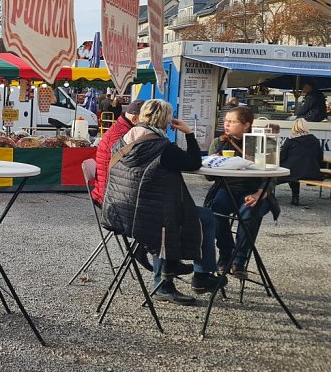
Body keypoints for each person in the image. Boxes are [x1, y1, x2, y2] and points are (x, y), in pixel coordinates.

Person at [103, 99, 224, 305]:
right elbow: (194, 162)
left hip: (119, 209)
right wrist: (189, 133)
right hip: (145, 216)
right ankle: (192, 278)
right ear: (166, 120)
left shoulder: (124, 139)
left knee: (171, 213)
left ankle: (179, 269)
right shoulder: (161, 147)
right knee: (201, 217)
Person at [206, 106, 279, 279]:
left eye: (232, 121)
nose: (227, 125)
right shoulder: (220, 142)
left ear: (246, 125)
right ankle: (225, 254)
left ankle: (239, 262)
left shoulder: (262, 141)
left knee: (250, 212)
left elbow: (272, 175)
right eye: (225, 121)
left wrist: (260, 194)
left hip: (254, 190)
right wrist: (215, 161)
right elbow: (209, 177)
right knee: (216, 210)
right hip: (228, 188)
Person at [91, 99, 143, 206]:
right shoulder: (122, 134)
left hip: (107, 190)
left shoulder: (121, 128)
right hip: (109, 196)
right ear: (135, 119)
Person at [278, 118, 324, 206]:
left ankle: (294, 197)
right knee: (295, 171)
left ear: (294, 127)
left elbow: (282, 157)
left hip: (293, 172)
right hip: (312, 171)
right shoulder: (314, 140)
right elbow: (320, 157)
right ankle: (295, 197)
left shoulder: (290, 140)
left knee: (288, 172)